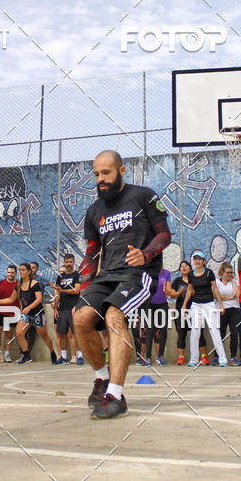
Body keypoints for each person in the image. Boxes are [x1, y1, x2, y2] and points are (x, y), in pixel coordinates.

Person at [73, 150, 171, 419]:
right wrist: (84, 289)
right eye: (96, 174)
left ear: (122, 171)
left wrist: (146, 254)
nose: (100, 179)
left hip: (138, 274)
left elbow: (164, 234)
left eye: (106, 172)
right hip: (107, 275)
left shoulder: (143, 196)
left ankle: (115, 396)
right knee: (81, 318)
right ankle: (102, 379)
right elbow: (92, 254)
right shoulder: (94, 211)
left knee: (115, 317)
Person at [186, 251, 227, 367]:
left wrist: (220, 304)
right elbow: (189, 289)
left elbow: (215, 289)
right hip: (196, 305)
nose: (197, 261)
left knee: (214, 330)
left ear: (203, 261)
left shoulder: (209, 273)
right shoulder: (191, 275)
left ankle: (222, 359)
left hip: (209, 304)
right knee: (195, 331)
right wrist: (185, 305)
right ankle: (193, 359)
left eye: (200, 259)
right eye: (195, 259)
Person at [167, 261, 210, 366]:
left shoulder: (195, 280)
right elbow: (171, 295)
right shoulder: (177, 281)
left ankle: (204, 357)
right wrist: (178, 293)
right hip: (180, 311)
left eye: (186, 266)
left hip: (196, 309)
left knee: (199, 334)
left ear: (190, 268)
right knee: (181, 334)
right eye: (181, 266)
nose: (183, 268)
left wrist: (195, 292)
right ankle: (181, 358)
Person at [15, 263, 57, 364]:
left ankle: (52, 353)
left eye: (23, 270)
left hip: (37, 313)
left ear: (29, 271)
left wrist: (57, 291)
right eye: (20, 270)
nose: (21, 272)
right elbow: (12, 298)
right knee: (19, 333)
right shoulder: (19, 284)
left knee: (44, 335)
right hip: (26, 314)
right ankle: (26, 355)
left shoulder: (36, 283)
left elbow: (39, 299)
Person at [51, 253, 83, 364]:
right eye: (67, 262)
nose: (68, 264)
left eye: (70, 262)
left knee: (74, 332)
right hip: (62, 308)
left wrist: (63, 290)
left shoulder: (77, 275)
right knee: (61, 333)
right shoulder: (60, 277)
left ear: (74, 262)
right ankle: (63, 357)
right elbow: (57, 293)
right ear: (64, 262)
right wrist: (55, 308)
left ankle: (79, 356)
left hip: (74, 307)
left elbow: (77, 290)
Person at [139, 264, 172, 366]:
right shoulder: (147, 273)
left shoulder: (166, 273)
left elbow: (169, 291)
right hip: (149, 304)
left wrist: (166, 290)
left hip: (162, 304)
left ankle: (160, 356)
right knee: (149, 329)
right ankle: (148, 357)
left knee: (163, 329)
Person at [0, 265, 20, 363]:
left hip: (12, 313)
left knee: (8, 335)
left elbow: (20, 299)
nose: (10, 274)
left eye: (12, 272)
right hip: (0, 313)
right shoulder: (1, 283)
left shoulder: (18, 284)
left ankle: (7, 355)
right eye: (9, 272)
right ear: (6, 273)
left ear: (16, 274)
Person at [216, 262, 240, 365]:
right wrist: (230, 297)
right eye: (227, 273)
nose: (229, 275)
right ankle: (218, 356)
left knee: (234, 333)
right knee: (220, 333)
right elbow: (217, 296)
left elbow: (237, 294)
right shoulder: (217, 282)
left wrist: (234, 281)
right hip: (222, 309)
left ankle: (233, 357)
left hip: (234, 309)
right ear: (222, 272)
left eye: (231, 273)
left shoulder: (233, 282)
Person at [28, 261, 53, 355]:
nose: (31, 269)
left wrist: (57, 295)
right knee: (24, 332)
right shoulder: (25, 279)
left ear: (37, 269)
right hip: (27, 309)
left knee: (41, 332)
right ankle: (25, 354)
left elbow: (52, 284)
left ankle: (52, 353)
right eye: (30, 267)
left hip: (37, 308)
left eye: (34, 267)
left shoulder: (40, 279)